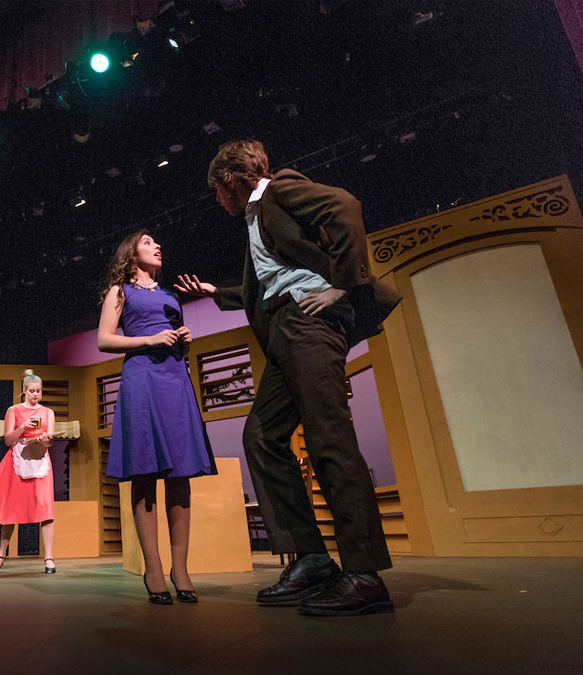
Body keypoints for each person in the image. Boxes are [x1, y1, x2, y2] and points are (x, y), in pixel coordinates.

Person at [174, 139, 401, 616]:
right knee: (261, 435)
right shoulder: (257, 219)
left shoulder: (279, 189)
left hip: (308, 323)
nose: (218, 200)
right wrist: (218, 291)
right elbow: (270, 279)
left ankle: (364, 574)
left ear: (232, 180)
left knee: (328, 438)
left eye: (218, 189)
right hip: (282, 331)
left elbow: (345, 206)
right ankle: (314, 558)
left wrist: (343, 283)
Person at [97, 232, 216, 604]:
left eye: (158, 243)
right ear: (131, 253)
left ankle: (181, 569)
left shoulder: (170, 295)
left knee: (180, 472)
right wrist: (149, 340)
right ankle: (153, 568)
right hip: (142, 380)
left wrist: (185, 340)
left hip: (174, 379)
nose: (158, 246)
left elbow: (173, 339)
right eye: (148, 243)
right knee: (146, 471)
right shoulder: (120, 291)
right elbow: (104, 339)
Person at [0, 370, 57, 575]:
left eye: (39, 391)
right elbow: (8, 440)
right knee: (10, 510)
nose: (35, 395)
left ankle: (49, 556)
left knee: (45, 508)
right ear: (24, 391)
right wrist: (23, 426)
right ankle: (1, 554)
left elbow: (49, 441)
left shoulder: (48, 412)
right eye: (32, 391)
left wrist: (46, 439)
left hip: (40, 460)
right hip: (18, 460)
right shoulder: (13, 410)